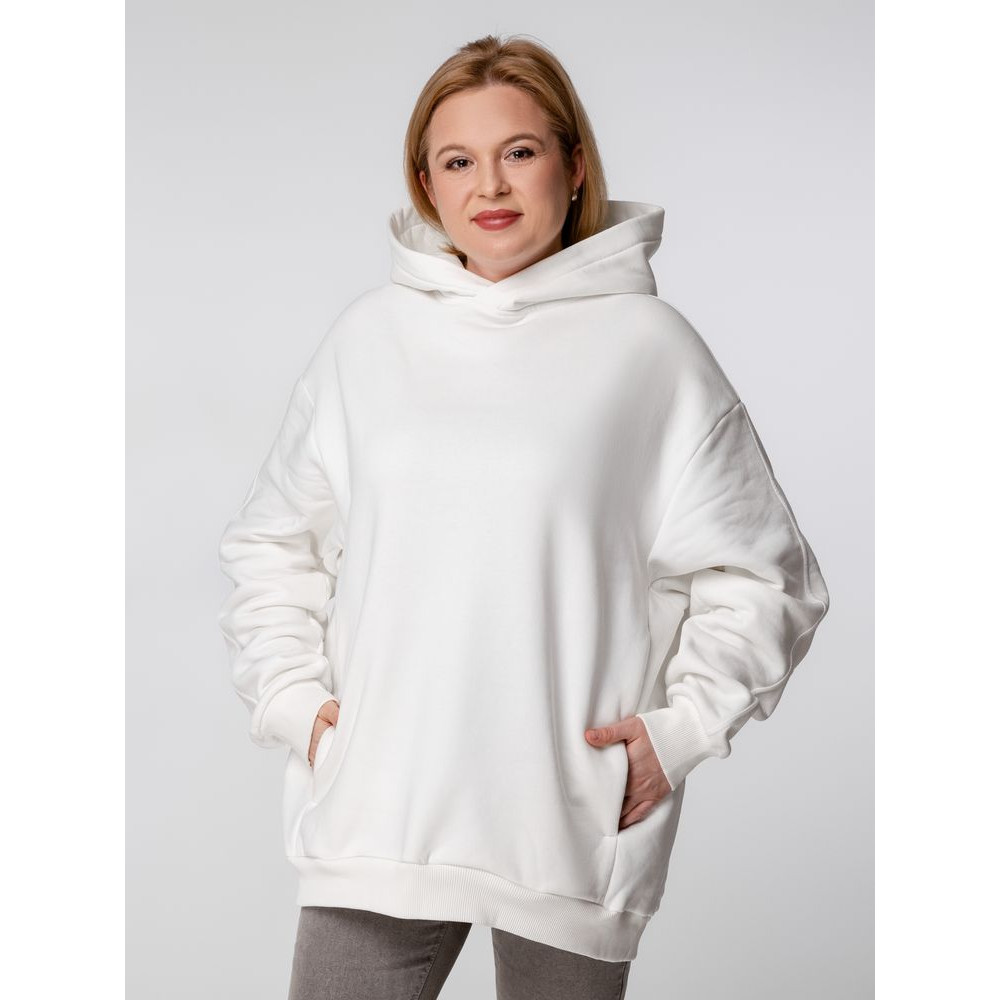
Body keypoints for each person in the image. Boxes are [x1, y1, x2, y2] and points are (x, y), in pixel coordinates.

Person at [216, 32, 831, 1000]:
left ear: (573, 165)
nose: (490, 185)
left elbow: (764, 575)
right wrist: (295, 704)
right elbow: (274, 543)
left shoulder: (651, 351)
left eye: (520, 151)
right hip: (380, 816)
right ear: (425, 183)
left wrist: (680, 732)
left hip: (569, 826)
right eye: (458, 161)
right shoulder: (369, 341)